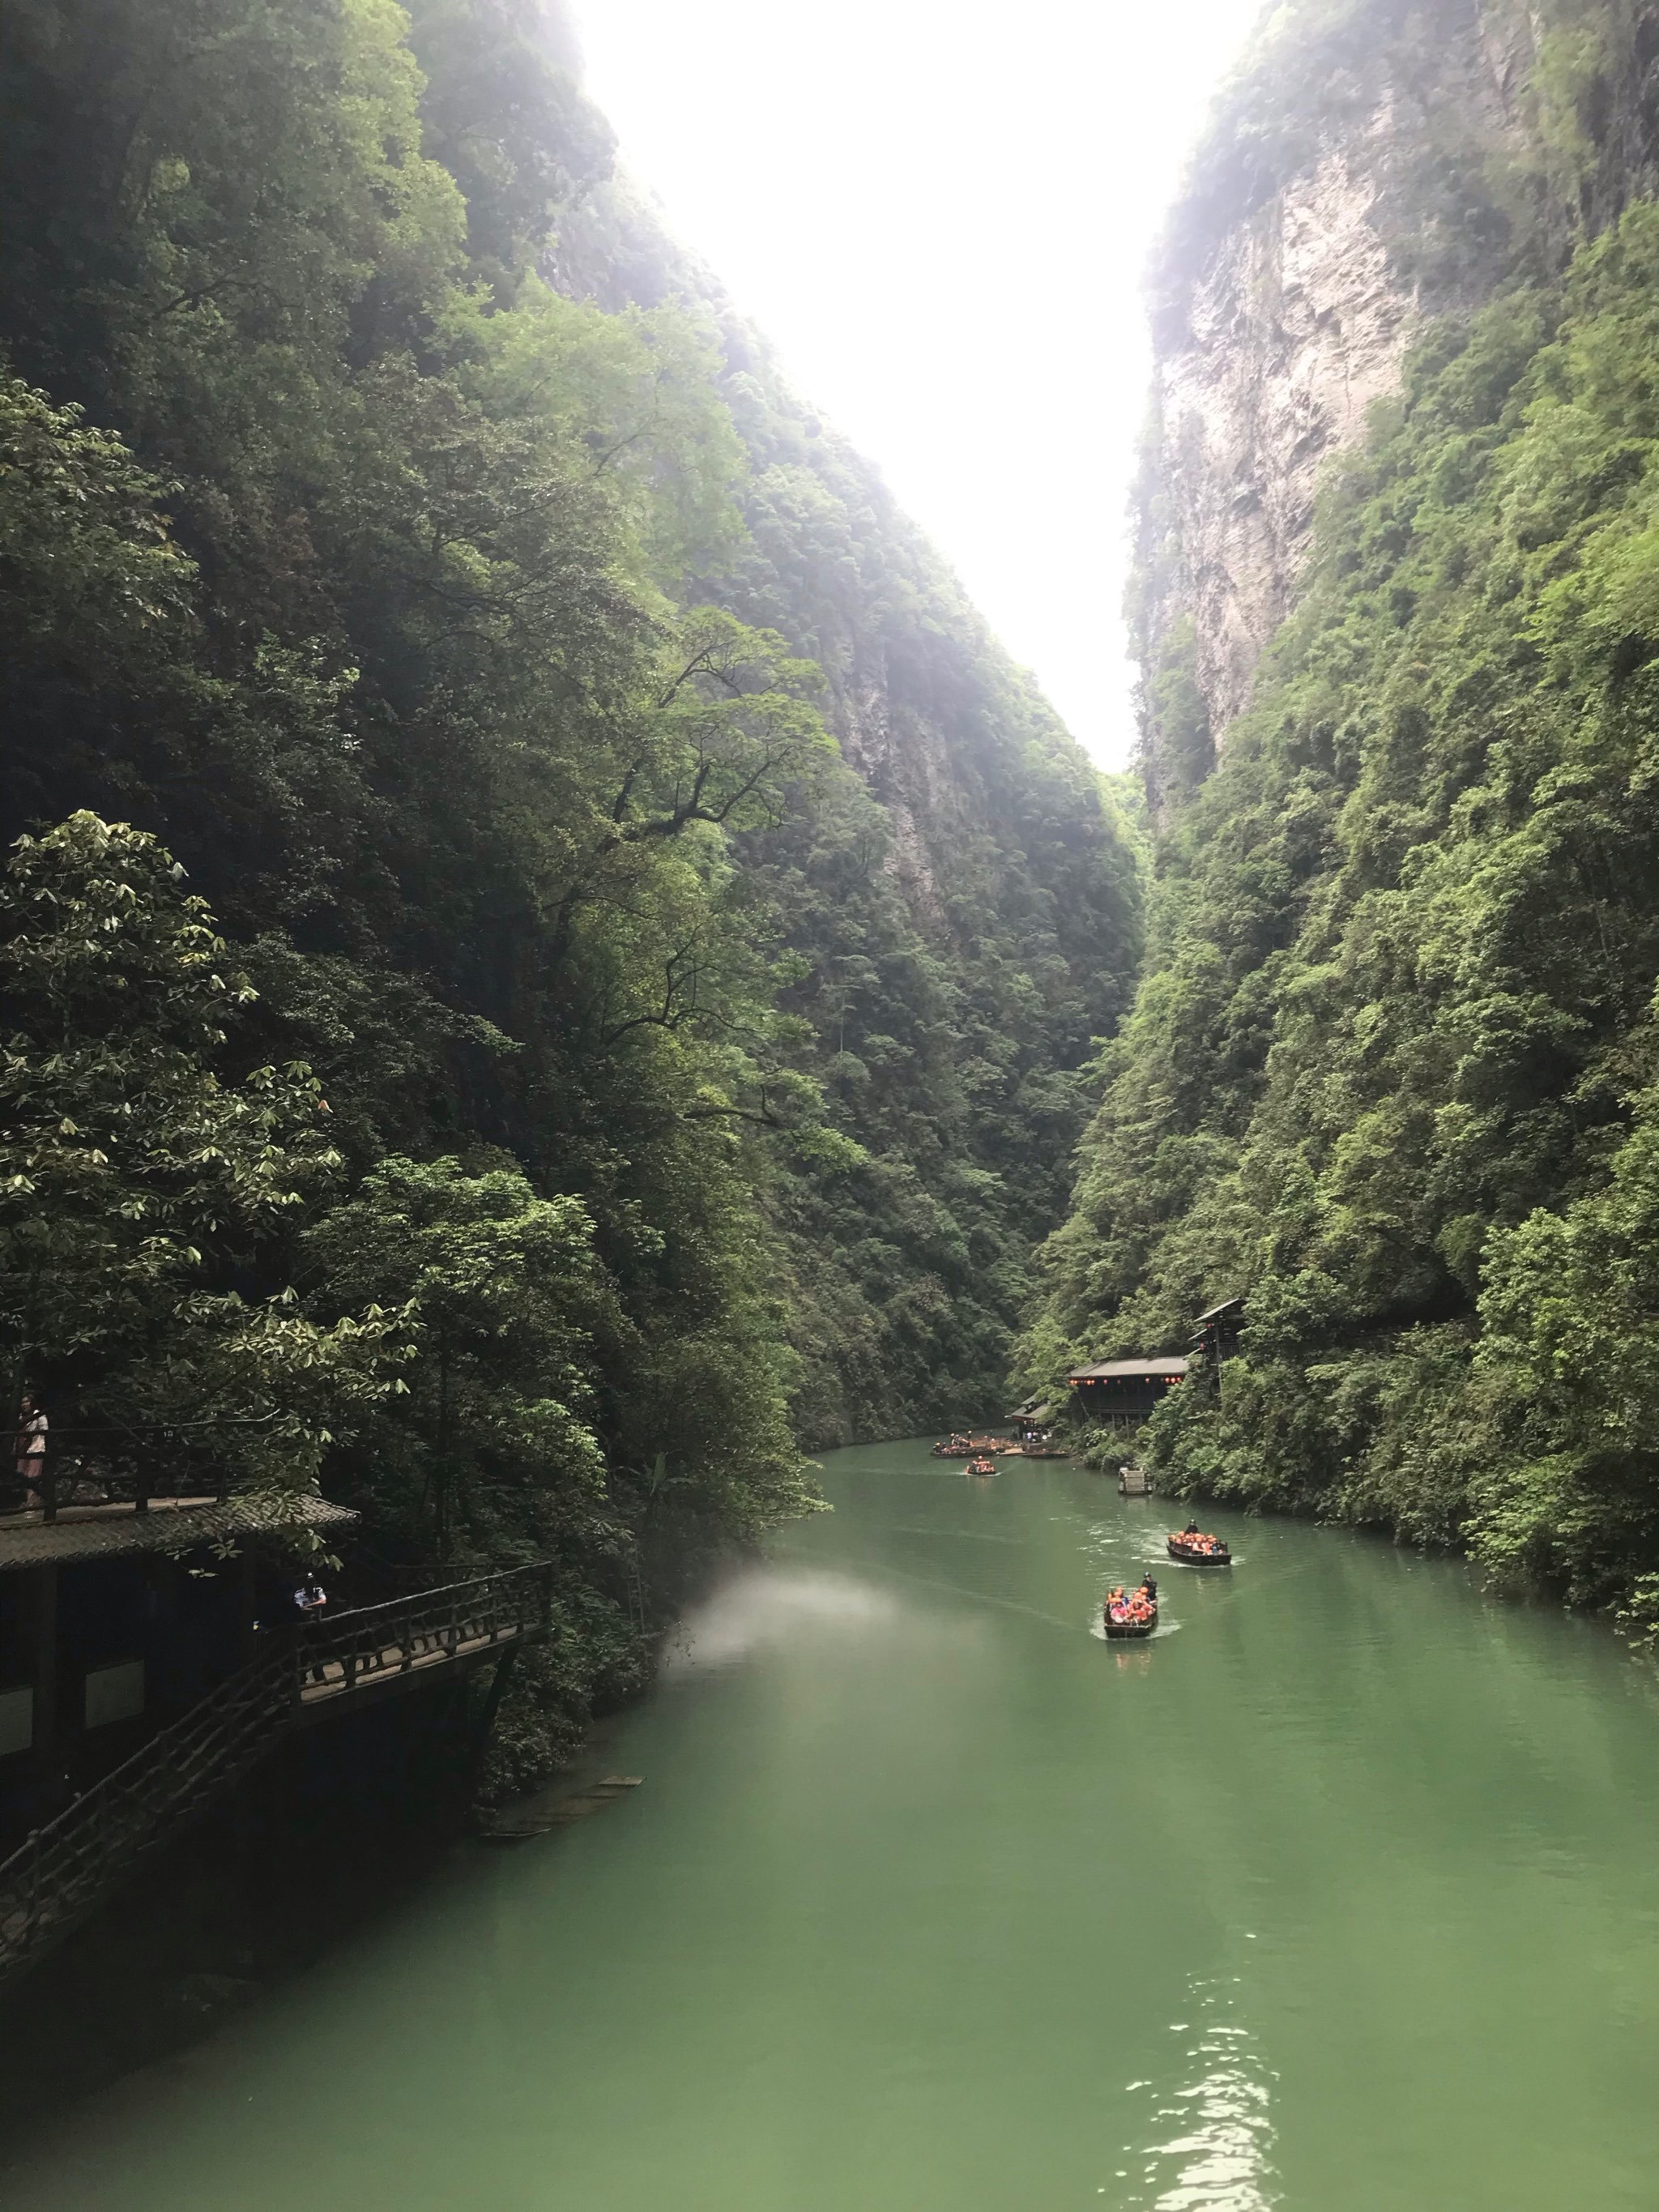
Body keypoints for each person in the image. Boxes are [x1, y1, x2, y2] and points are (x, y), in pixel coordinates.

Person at [13, 1394, 47, 1508]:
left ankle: (31, 1503)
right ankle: (27, 1501)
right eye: (22, 1402)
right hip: (22, 1451)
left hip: (35, 1449)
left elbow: (45, 1430)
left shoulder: (39, 1415)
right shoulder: (21, 1418)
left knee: (32, 1476)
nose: (24, 1405)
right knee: (21, 1476)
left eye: (26, 1402)